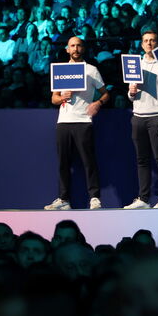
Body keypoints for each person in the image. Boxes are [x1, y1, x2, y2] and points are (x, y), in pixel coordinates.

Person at [45, 36, 110, 210]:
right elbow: (53, 98)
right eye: (72, 45)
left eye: (79, 45)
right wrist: (61, 97)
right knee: (63, 162)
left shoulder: (91, 70)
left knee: (88, 161)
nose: (75, 48)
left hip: (83, 121)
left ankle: (95, 198)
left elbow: (105, 93)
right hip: (64, 122)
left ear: (83, 48)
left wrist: (98, 103)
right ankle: (64, 199)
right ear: (67, 49)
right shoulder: (60, 70)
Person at [125, 31, 158, 209]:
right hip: (138, 117)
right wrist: (131, 91)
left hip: (157, 117)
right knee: (142, 160)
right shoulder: (135, 64)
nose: (149, 43)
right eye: (146, 41)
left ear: (157, 43)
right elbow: (131, 96)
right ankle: (143, 199)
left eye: (152, 40)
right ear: (142, 44)